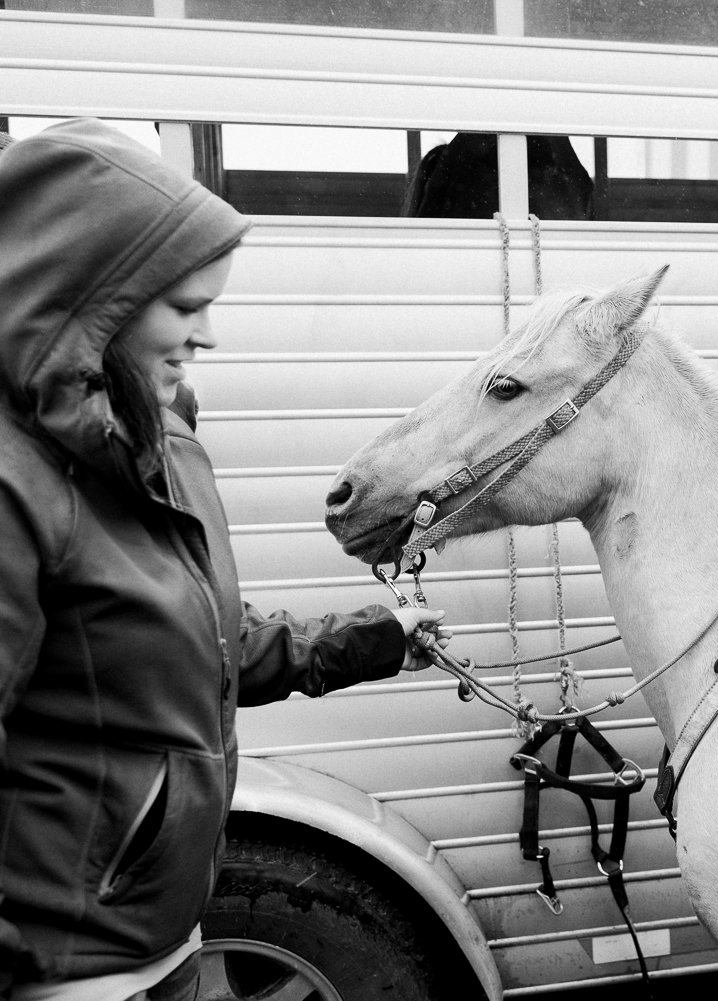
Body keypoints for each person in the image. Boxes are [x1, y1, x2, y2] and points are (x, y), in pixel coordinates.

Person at [0, 119, 448, 1001]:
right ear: (91, 300)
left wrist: (378, 638)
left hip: (171, 941)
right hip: (66, 977)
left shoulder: (163, 443)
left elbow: (205, 648)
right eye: (184, 306)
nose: (208, 335)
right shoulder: (13, 481)